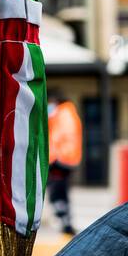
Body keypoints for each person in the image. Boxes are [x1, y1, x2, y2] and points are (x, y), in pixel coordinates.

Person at [46, 91, 83, 236]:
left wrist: (52, 157)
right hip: (66, 159)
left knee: (57, 192)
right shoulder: (69, 113)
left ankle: (64, 221)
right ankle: (65, 220)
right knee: (61, 191)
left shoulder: (62, 114)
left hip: (60, 159)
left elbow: (57, 137)